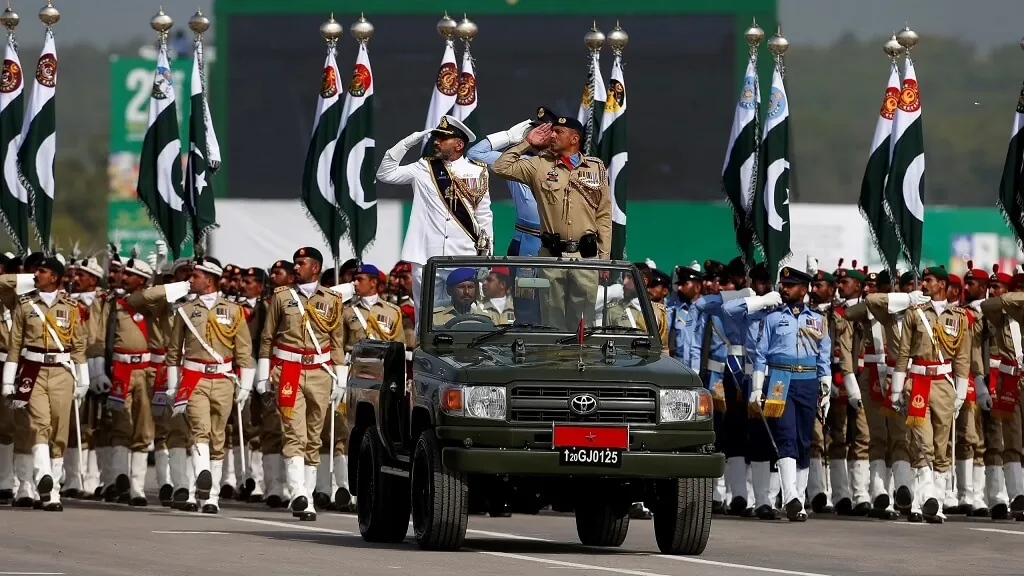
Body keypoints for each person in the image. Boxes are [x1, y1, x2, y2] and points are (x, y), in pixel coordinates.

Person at [492, 115, 611, 328]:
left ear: (574, 139)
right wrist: (527, 142)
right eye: (551, 131)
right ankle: (555, 361)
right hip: (551, 255)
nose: (552, 135)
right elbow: (500, 168)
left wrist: (603, 258)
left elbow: (603, 215)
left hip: (585, 256)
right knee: (551, 319)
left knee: (584, 322)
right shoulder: (538, 165)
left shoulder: (595, 168)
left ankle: (581, 360)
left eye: (559, 132)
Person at [376, 115, 493, 327]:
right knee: (426, 315)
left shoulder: (477, 171)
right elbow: (385, 173)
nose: (437, 142)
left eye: (443, 138)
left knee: (461, 313)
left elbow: (484, 215)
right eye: (436, 137)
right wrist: (409, 141)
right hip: (425, 254)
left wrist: (487, 257)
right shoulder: (424, 167)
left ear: (459, 144)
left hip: (463, 255)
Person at [257, 247, 346, 522]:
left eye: (301, 263)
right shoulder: (282, 296)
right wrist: (263, 374)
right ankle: (298, 493)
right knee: (293, 431)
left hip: (320, 371)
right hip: (289, 371)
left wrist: (340, 378)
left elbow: (337, 341)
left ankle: (307, 497)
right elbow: (267, 338)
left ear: (315, 268)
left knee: (314, 435)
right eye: (295, 263)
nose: (296, 267)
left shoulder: (333, 299)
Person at [163, 257, 254, 514]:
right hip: (195, 378)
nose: (190, 280)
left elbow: (244, 350)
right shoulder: (185, 310)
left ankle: (211, 496)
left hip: (224, 379)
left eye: (196, 276)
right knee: (199, 430)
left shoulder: (234, 311)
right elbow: (173, 352)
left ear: (210, 279)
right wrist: (172, 386)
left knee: (218, 436)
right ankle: (200, 480)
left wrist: (245, 386)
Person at [2, 257, 88, 511]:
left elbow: (79, 345)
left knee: (59, 430)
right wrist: (8, 380)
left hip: (62, 371)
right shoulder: (25, 305)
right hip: (33, 370)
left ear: (55, 277)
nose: (36, 274)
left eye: (42, 271)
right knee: (39, 424)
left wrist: (83, 380)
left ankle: (53, 493)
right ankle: (44, 479)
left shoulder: (72, 307)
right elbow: (15, 346)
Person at [750, 266, 832, 522]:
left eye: (790, 284)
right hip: (779, 380)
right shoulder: (772, 318)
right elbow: (761, 355)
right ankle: (791, 498)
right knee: (785, 436)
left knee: (803, 440)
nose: (784, 288)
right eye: (782, 283)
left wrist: (825, 385)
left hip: (807, 381)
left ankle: (799, 496)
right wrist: (756, 386)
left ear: (803, 289)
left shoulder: (818, 319)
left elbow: (824, 354)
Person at [891, 266, 971, 524]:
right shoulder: (915, 314)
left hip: (944, 385)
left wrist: (959, 394)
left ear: (942, 285)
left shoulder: (959, 316)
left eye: (928, 280)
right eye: (923, 280)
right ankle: (926, 500)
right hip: (918, 383)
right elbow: (904, 353)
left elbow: (962, 357)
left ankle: (927, 503)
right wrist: (896, 387)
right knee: (921, 443)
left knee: (941, 446)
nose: (923, 284)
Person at [470, 107, 561, 324]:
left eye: (545, 130)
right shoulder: (515, 163)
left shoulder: (568, 165)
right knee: (527, 303)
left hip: (559, 244)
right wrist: (512, 138)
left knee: (556, 303)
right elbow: (475, 154)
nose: (540, 134)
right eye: (535, 130)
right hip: (527, 245)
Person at [667, 265, 702, 362]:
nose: (679, 288)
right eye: (679, 284)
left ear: (697, 287)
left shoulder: (705, 313)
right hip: (678, 370)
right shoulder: (674, 312)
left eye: (684, 284)